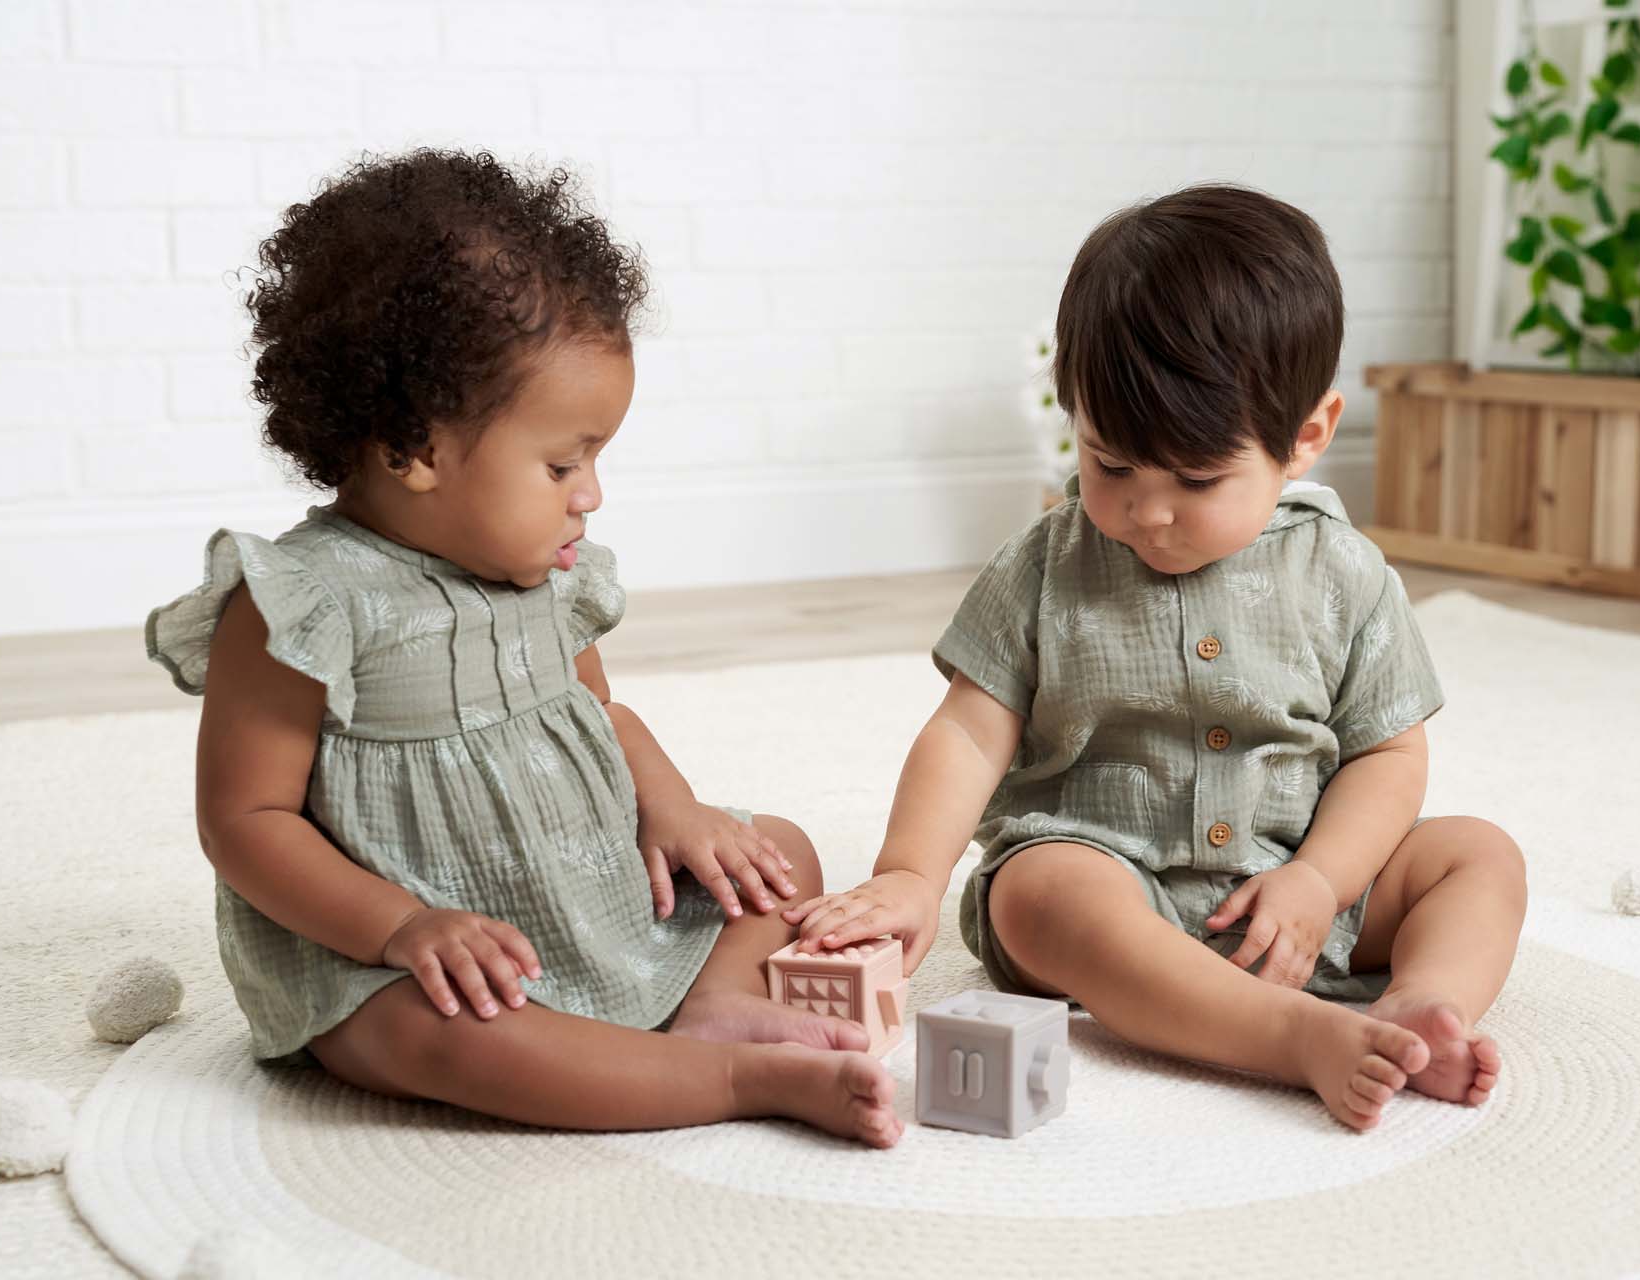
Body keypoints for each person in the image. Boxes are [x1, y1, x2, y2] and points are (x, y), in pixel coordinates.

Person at [148, 149, 901, 1147]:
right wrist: (402, 928)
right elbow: (245, 821)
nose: (589, 492)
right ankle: (722, 1076)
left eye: (595, 457)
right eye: (562, 461)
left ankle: (709, 1002)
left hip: (582, 889)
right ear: (413, 446)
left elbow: (601, 715)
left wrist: (676, 811)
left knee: (777, 852)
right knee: (434, 1035)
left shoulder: (550, 565)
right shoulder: (302, 601)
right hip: (416, 951)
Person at [785, 185, 1526, 1131]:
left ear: (1306, 437)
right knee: (1035, 893)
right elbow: (970, 732)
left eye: (1198, 479)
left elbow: (1389, 756)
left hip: (1295, 890)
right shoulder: (1048, 566)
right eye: (1111, 466)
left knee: (1479, 858)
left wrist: (1319, 881)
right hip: (1112, 881)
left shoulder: (1344, 573)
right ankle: (1288, 1037)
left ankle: (1423, 1008)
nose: (1149, 511)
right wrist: (909, 875)